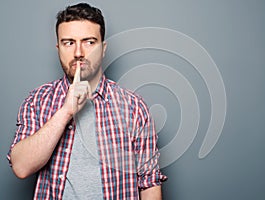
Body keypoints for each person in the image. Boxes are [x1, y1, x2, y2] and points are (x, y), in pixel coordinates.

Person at [7, 2, 167, 200]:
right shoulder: (37, 101)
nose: (78, 53)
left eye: (89, 42)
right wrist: (65, 111)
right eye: (69, 42)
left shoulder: (133, 107)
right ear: (58, 48)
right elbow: (21, 167)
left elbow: (149, 183)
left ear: (103, 48)